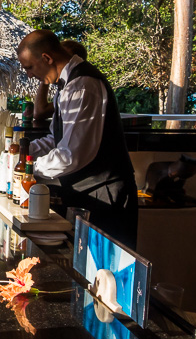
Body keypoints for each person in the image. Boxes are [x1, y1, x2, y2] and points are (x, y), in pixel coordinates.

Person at [16, 30, 138, 249]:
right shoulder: (67, 84)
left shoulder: (83, 85)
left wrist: (28, 166)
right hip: (88, 194)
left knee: (107, 274)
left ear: (46, 58)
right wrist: (21, 152)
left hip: (107, 196)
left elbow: (69, 156)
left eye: (29, 67)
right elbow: (56, 139)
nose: (29, 75)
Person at [33, 39, 87, 123]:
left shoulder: (78, 87)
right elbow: (39, 112)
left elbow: (40, 112)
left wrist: (46, 74)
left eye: (61, 58)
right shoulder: (64, 87)